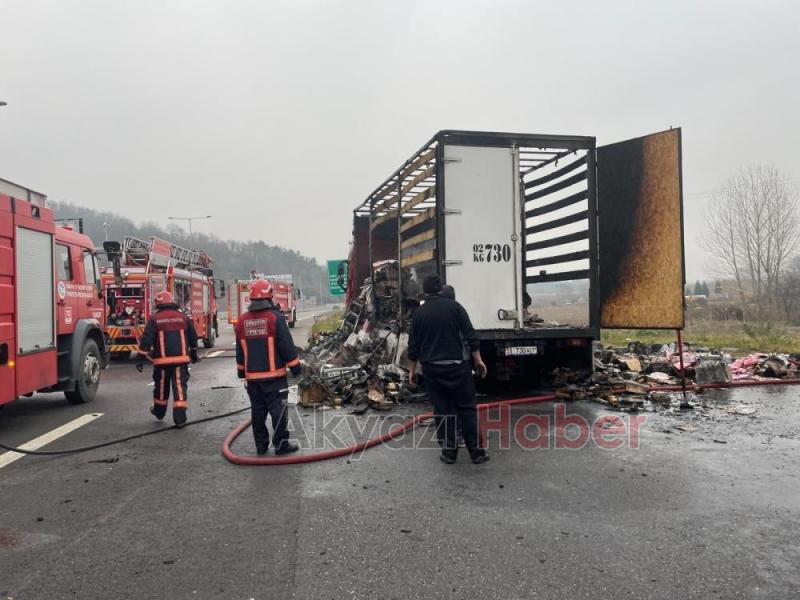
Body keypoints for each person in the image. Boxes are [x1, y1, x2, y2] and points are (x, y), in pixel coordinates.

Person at [408, 275, 489, 465]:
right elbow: (471, 336)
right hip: (458, 368)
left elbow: (413, 346)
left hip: (433, 370)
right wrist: (478, 361)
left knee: (442, 410)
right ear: (440, 289)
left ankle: (449, 453)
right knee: (467, 409)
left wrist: (412, 371)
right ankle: (477, 453)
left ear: (426, 292)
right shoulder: (456, 308)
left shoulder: (419, 314)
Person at [235, 279, 302, 456]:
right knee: (278, 411)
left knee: (258, 412)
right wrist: (296, 369)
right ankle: (281, 445)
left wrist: (241, 371)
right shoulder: (276, 319)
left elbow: (240, 350)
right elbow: (286, 346)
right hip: (275, 379)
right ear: (270, 297)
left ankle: (261, 446)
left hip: (253, 379)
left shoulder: (241, 321)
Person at [138, 291, 199, 427]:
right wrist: (194, 353)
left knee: (161, 388)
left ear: (158, 304)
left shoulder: (154, 319)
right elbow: (193, 337)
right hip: (180, 361)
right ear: (172, 301)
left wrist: (141, 357)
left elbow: (147, 339)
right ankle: (180, 418)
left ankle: (159, 412)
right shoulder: (183, 318)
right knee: (179, 387)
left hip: (162, 363)